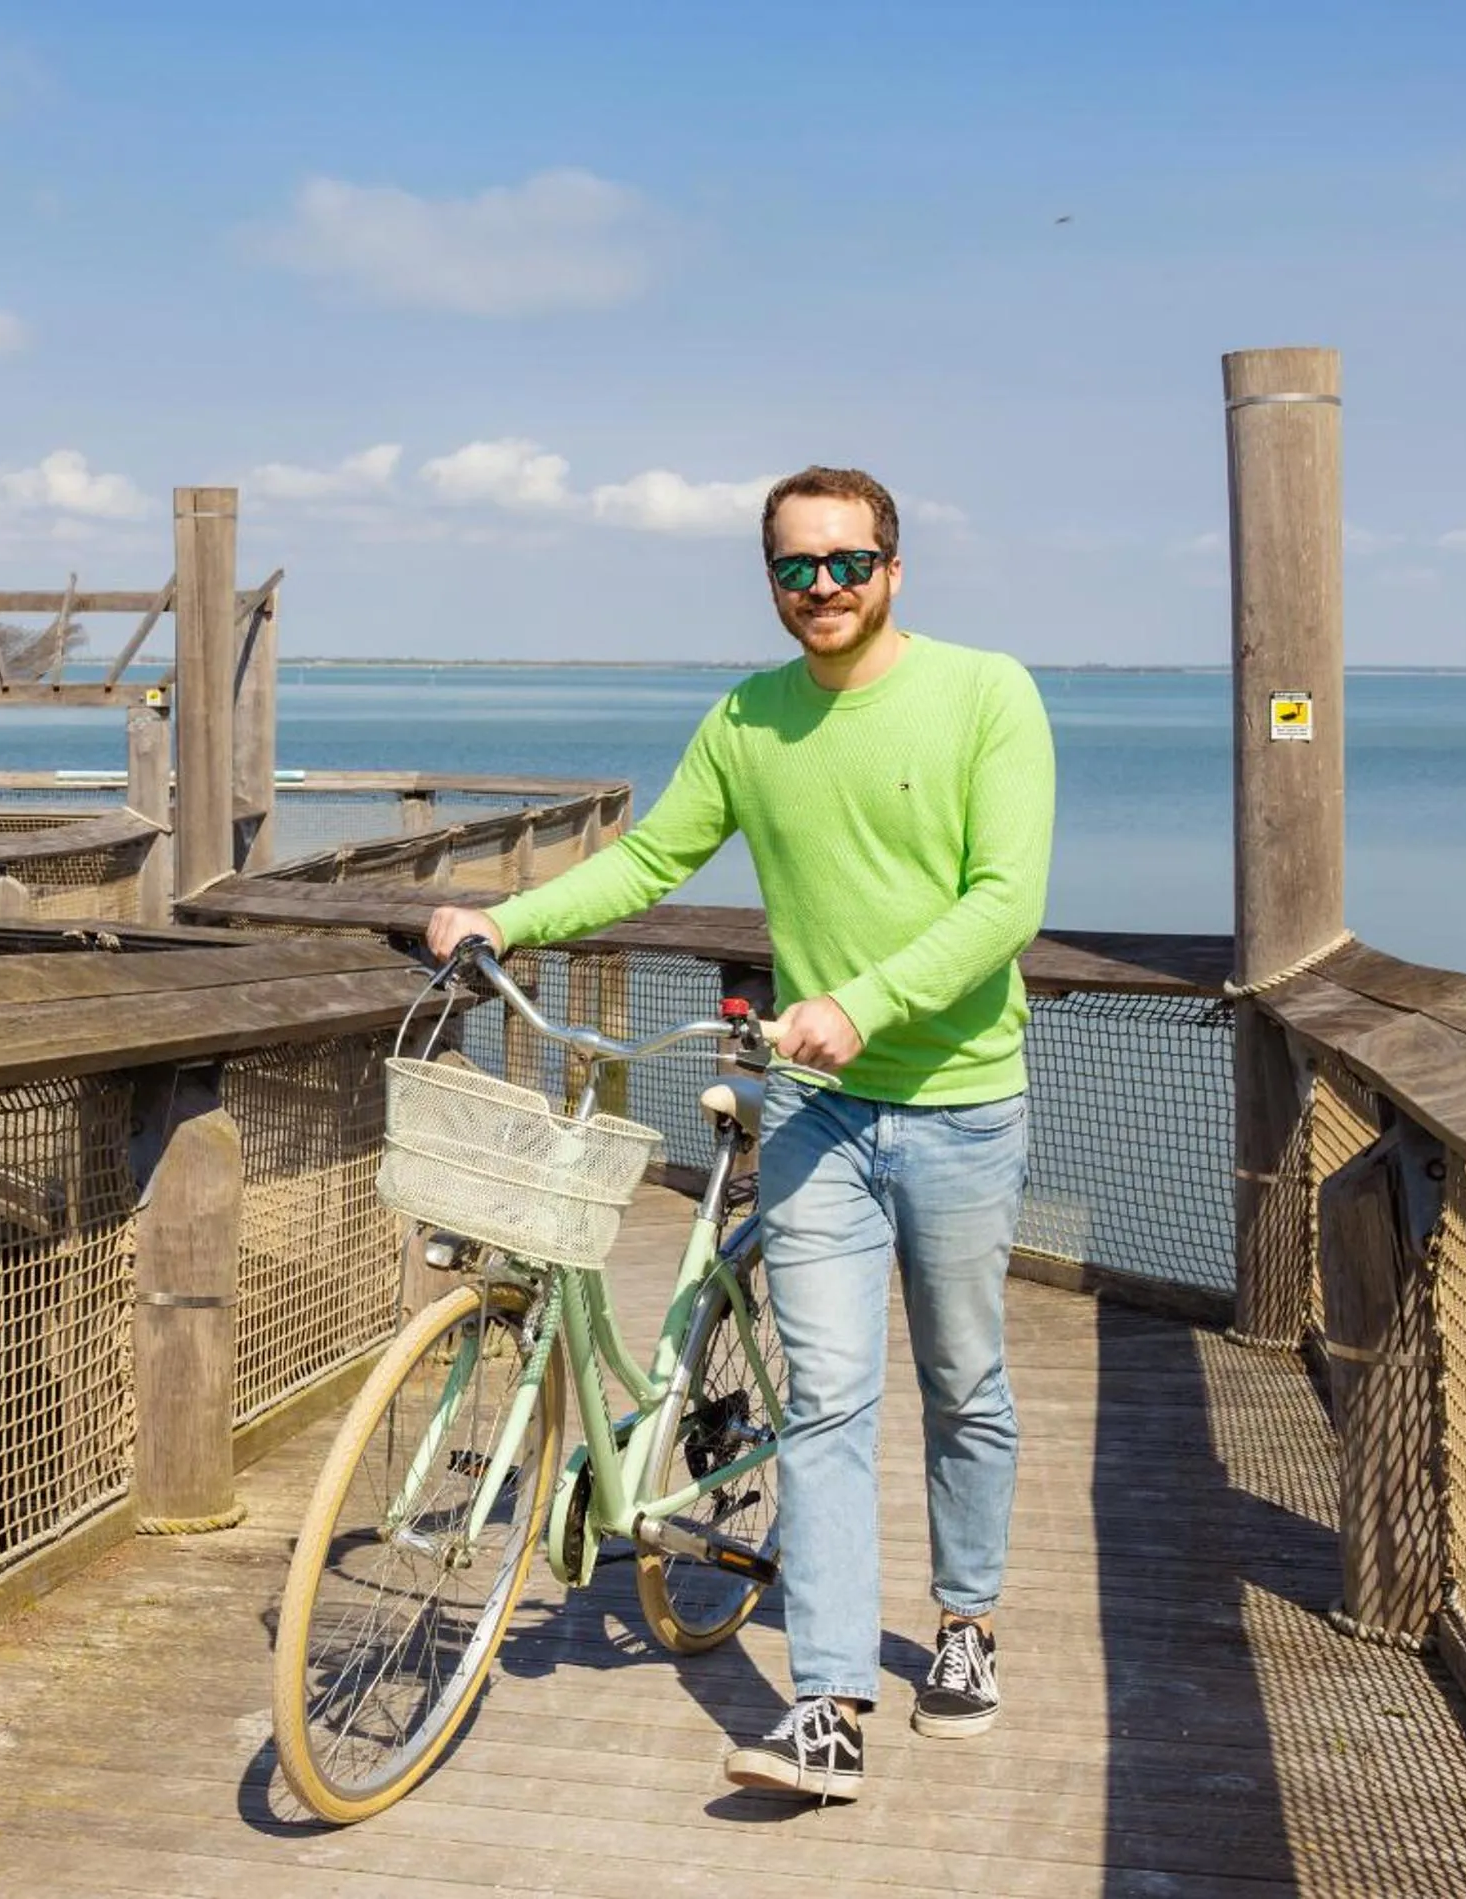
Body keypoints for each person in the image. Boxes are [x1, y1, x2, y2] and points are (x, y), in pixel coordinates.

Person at [425, 465, 1055, 1802]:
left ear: (896, 565)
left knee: (964, 1380)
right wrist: (506, 917)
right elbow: (652, 861)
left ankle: (966, 1623)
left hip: (959, 1103)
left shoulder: (988, 694)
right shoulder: (745, 720)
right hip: (819, 1109)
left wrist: (864, 1002)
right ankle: (826, 1703)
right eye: (795, 568)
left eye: (846, 562)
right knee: (828, 1398)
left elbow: (1004, 901)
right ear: (768, 580)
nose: (821, 587)